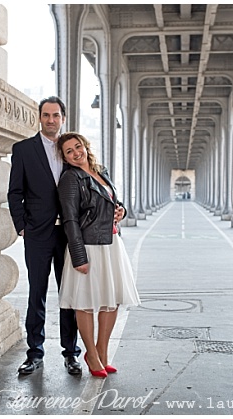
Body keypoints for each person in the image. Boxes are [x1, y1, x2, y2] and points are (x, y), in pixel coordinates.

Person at [56, 132, 141, 378]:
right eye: (69, 151)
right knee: (85, 303)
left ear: (85, 146)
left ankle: (103, 352)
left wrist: (121, 211)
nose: (75, 153)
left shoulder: (101, 171)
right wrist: (79, 256)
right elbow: (70, 219)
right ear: (64, 157)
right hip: (88, 245)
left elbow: (113, 201)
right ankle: (91, 354)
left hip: (111, 242)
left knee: (111, 300)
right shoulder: (70, 179)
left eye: (77, 147)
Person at [7, 96, 82, 375]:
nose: (51, 120)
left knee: (69, 294)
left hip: (69, 234)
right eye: (46, 115)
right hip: (37, 232)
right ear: (39, 117)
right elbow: (15, 192)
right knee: (36, 293)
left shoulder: (73, 149)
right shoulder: (24, 150)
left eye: (56, 115)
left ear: (63, 118)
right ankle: (34, 352)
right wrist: (21, 224)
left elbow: (92, 179)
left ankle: (71, 353)